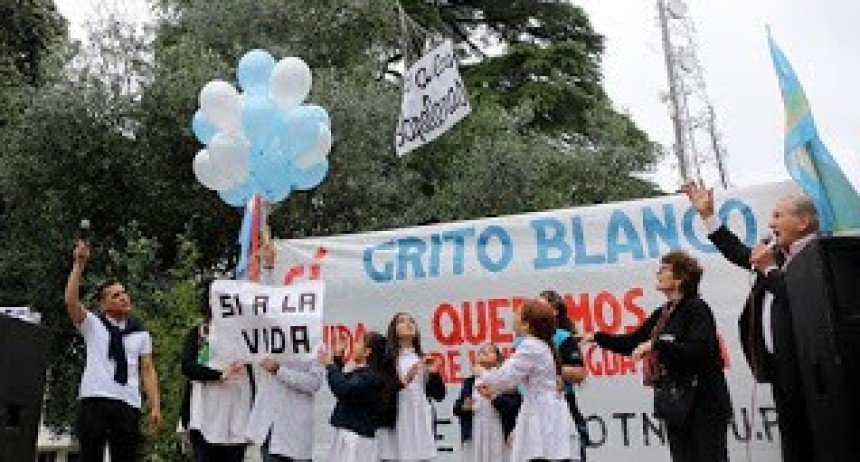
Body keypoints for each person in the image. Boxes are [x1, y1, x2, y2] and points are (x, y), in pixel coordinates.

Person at [685, 181, 817, 461]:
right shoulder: (777, 256)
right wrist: (708, 215)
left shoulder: (817, 256)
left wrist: (768, 268)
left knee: (817, 441)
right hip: (782, 370)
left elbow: (795, 299)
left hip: (812, 370)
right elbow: (736, 251)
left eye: (779, 216)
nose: (771, 224)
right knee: (794, 445)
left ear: (803, 221)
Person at [583, 250, 731, 462]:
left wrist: (656, 345)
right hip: (677, 405)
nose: (658, 273)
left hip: (704, 403)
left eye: (665, 269)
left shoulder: (697, 308)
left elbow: (698, 350)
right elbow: (632, 343)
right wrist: (597, 337)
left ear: (680, 279)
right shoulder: (664, 313)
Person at [64, 240, 161, 462]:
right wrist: (78, 264)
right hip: (95, 399)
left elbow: (147, 370)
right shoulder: (92, 324)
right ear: (103, 305)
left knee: (126, 456)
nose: (123, 297)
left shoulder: (140, 332)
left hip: (127, 402)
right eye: (115, 295)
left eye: (124, 293)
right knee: (90, 456)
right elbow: (71, 302)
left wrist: (155, 405)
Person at [246, 240, 324, 462]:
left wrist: (279, 370)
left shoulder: (316, 341)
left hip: (296, 432)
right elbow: (265, 302)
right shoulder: (272, 333)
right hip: (269, 426)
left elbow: (313, 383)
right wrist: (267, 268)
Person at [477, 299, 578, 462]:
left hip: (541, 413)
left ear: (527, 325)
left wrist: (483, 373)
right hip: (545, 409)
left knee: (539, 454)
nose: (513, 317)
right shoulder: (541, 345)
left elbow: (506, 378)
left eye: (517, 314)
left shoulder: (530, 346)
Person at [179, 280, 253, 462]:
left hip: (237, 417)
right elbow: (188, 367)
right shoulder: (200, 334)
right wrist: (218, 375)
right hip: (204, 416)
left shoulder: (246, 336)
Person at [318, 330, 398, 462]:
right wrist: (337, 359)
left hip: (356, 441)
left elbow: (344, 389)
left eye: (358, 342)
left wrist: (331, 365)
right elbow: (342, 384)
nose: (354, 345)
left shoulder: (370, 377)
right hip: (351, 437)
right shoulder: (365, 374)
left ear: (367, 352)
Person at [377, 312, 447, 461]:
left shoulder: (423, 358)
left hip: (419, 417)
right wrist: (403, 381)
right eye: (402, 321)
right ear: (393, 330)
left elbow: (439, 395)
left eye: (412, 321)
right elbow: (381, 391)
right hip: (395, 419)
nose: (408, 324)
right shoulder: (386, 360)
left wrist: (434, 374)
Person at [539, 290, 589, 462]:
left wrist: (551, 369)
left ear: (555, 311)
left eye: (541, 305)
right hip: (533, 410)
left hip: (562, 405)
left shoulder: (563, 338)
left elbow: (579, 373)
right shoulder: (525, 340)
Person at [453, 343, 521, 462]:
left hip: (497, 430)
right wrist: (464, 407)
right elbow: (457, 408)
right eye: (481, 351)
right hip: (475, 431)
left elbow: (513, 409)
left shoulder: (504, 380)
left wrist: (493, 397)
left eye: (490, 351)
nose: (484, 352)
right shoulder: (469, 382)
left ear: (498, 360)